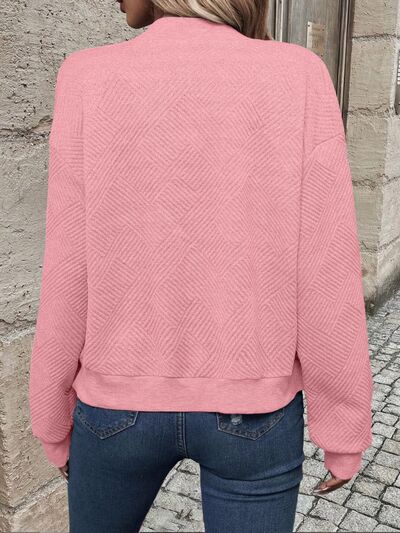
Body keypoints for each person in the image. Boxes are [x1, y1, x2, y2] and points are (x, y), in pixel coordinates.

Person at [28, 0, 374, 531]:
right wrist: (343, 429)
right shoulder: (297, 75)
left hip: (115, 409)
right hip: (253, 412)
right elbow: (327, 269)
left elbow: (68, 264)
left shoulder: (87, 76)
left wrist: (51, 418)